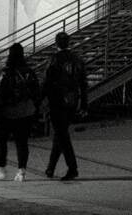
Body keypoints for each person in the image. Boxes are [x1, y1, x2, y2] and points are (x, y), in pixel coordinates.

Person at [0, 42, 42, 182]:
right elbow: (37, 92)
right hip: (26, 111)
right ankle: (21, 171)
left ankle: (1, 169)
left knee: (1, 140)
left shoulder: (7, 72)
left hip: (8, 111)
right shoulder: (29, 72)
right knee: (22, 142)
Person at [41, 31, 88, 180]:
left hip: (57, 101)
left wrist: (39, 100)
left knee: (62, 135)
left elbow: (47, 82)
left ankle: (72, 168)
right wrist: (84, 104)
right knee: (60, 134)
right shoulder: (77, 59)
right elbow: (83, 84)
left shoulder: (54, 60)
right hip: (72, 101)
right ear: (69, 43)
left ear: (56, 43)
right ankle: (50, 168)